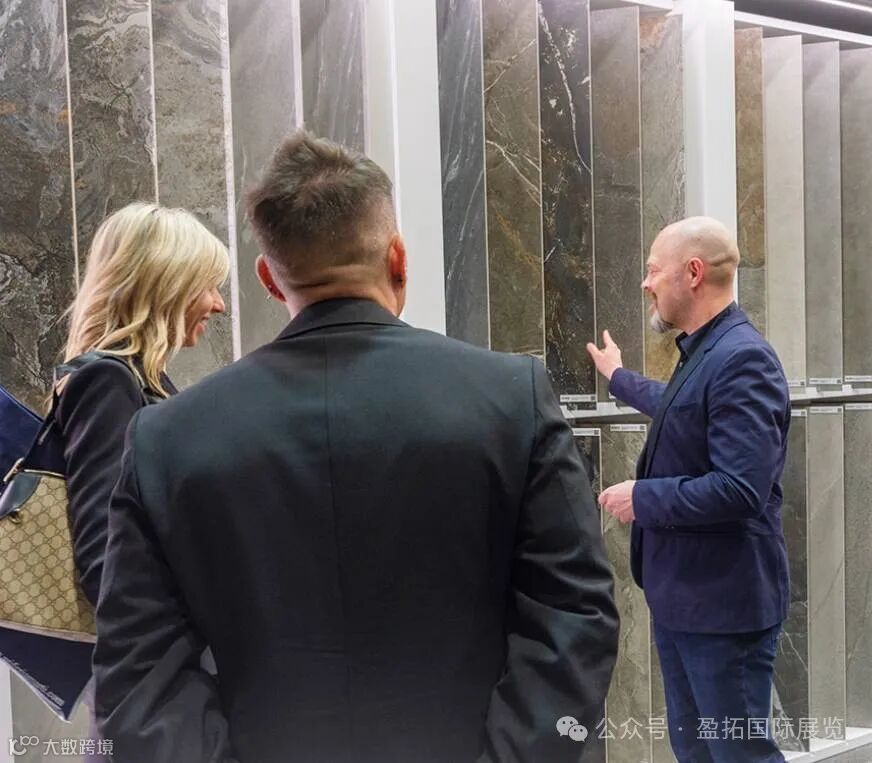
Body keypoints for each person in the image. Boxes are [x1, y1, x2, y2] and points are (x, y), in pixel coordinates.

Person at [92, 131, 619, 763]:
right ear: (398, 258)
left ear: (269, 278)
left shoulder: (167, 436)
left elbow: (138, 680)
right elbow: (574, 616)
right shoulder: (511, 398)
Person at [587, 217, 790, 763]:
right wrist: (619, 378)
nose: (645, 283)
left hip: (724, 608)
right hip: (689, 601)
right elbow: (682, 407)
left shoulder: (742, 358)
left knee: (739, 754)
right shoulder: (707, 350)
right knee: (696, 751)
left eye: (654, 270)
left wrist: (642, 497)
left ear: (693, 273)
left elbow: (740, 488)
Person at [56, 202, 228, 754]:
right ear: (165, 284)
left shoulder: (136, 381)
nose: (219, 304)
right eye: (207, 285)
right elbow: (105, 557)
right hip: (151, 702)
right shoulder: (106, 382)